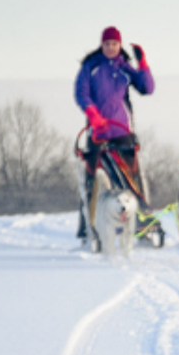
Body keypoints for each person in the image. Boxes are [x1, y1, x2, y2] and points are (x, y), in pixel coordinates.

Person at [74, 26, 155, 240]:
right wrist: (93, 114)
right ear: (102, 45)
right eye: (107, 44)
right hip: (97, 132)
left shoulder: (124, 68)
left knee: (132, 179)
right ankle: (88, 228)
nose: (111, 48)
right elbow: (81, 93)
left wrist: (142, 63)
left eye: (114, 44)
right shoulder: (90, 67)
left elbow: (147, 88)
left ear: (119, 46)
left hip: (121, 130)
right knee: (92, 180)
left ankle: (143, 225)